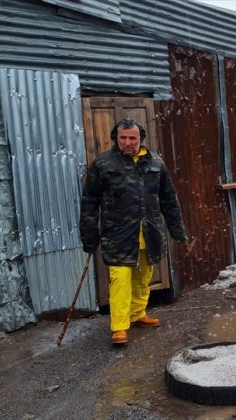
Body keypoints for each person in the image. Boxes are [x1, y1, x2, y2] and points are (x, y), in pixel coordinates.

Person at [80, 119, 187, 346]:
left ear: (141, 139)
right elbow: (89, 202)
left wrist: (177, 230)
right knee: (120, 279)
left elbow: (169, 198)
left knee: (143, 276)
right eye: (123, 138)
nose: (127, 143)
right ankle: (119, 327)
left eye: (132, 138)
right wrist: (89, 237)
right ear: (116, 139)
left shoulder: (156, 163)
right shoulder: (103, 165)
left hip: (149, 232)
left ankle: (138, 314)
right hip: (117, 234)